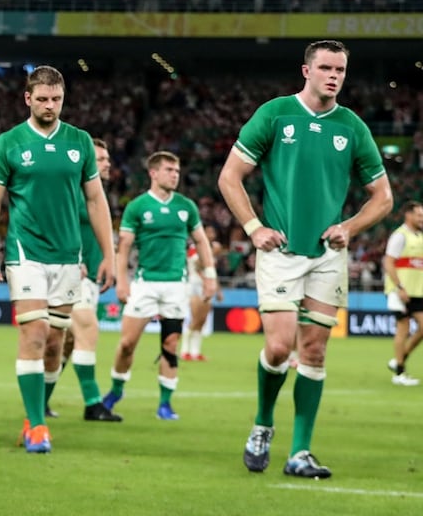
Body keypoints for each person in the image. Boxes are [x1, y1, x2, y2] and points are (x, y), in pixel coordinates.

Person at [218, 40, 391, 479]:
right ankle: (262, 423)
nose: (334, 76)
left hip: (328, 256)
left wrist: (349, 227)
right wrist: (254, 227)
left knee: (313, 350)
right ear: (306, 71)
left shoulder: (352, 127)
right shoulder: (275, 114)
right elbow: (230, 177)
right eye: (326, 68)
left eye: (341, 70)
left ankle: (300, 452)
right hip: (280, 252)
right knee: (278, 347)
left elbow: (384, 198)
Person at [0, 65, 116, 454]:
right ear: (28, 99)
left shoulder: (81, 142)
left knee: (56, 344)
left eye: (55, 99)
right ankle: (38, 426)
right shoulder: (9, 143)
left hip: (69, 255)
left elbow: (95, 201)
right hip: (26, 253)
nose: (49, 105)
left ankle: (34, 411)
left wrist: (110, 255)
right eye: (42, 99)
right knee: (33, 335)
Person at [102, 151, 216, 421]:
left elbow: (201, 241)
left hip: (176, 286)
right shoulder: (138, 207)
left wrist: (210, 275)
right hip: (145, 284)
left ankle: (165, 403)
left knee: (171, 344)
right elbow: (125, 247)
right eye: (169, 170)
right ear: (153, 173)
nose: (175, 174)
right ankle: (117, 390)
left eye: (177, 170)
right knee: (128, 343)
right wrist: (122, 281)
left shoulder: (186, 206)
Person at [64, 138, 121, 422]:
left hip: (90, 279)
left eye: (107, 159)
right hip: (70, 274)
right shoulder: (73, 192)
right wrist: (74, 259)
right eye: (101, 159)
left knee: (62, 344)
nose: (107, 163)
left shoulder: (96, 195)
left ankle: (42, 400)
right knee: (88, 328)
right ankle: (92, 403)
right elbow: (57, 227)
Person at [382, 201, 423, 386]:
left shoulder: (419, 236)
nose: (421, 218)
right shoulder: (400, 236)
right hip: (400, 291)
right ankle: (399, 373)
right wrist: (399, 287)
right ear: (408, 215)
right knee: (403, 328)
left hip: (417, 292)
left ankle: (399, 359)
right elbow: (388, 262)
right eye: (419, 215)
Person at [181, 225, 225, 361]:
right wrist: (212, 253)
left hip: (207, 286)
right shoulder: (194, 248)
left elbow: (211, 272)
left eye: (213, 231)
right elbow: (199, 265)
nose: (211, 234)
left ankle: (195, 352)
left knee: (202, 320)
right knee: (195, 318)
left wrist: (218, 289)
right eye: (209, 231)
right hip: (195, 285)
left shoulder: (212, 249)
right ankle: (184, 350)